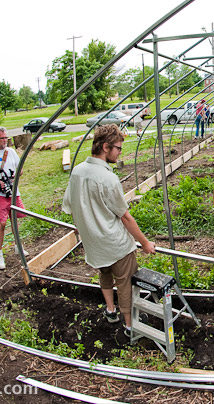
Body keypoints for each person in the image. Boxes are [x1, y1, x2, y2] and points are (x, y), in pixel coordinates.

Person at [62, 124, 156, 338]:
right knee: (126, 282)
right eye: (118, 148)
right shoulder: (107, 178)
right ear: (106, 147)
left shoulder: (77, 172)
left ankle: (111, 311)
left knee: (105, 274)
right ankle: (131, 325)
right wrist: (145, 242)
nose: (120, 152)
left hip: (93, 244)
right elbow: (124, 216)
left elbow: (70, 205)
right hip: (115, 245)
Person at [0, 127, 28, 270]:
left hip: (13, 192)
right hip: (1, 195)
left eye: (6, 138)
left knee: (15, 218)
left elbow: (20, 169)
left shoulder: (11, 152)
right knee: (2, 223)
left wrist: (15, 175)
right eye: (2, 138)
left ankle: (17, 246)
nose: (5, 141)